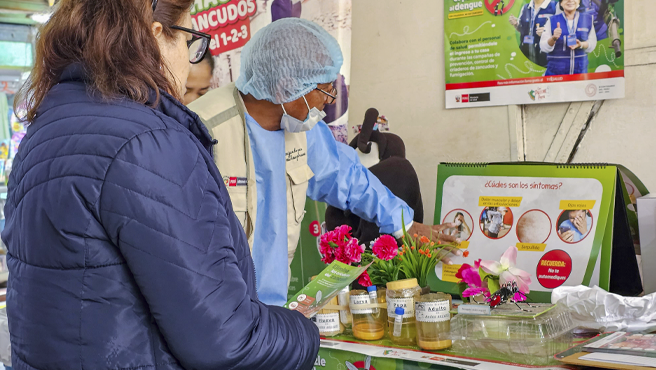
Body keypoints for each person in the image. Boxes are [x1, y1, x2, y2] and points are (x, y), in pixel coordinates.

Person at [2, 1, 319, 369]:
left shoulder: (45, 131)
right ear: (155, 35)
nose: (189, 63)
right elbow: (226, 340)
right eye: (190, 42)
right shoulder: (149, 142)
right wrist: (304, 332)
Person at [188, 18, 460, 306]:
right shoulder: (199, 130)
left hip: (270, 311)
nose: (329, 101)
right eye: (324, 89)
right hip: (212, 313)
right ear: (285, 87)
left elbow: (346, 178)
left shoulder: (301, 127)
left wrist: (405, 225)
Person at [540, 0, 597, 76]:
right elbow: (543, 47)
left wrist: (581, 44)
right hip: (556, 75)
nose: (570, 0)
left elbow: (592, 43)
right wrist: (553, 38)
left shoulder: (588, 19)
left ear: (579, 2)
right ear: (561, 3)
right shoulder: (551, 20)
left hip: (580, 74)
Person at [509, 0, 559, 67]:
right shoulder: (525, 7)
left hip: (546, 57)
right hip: (526, 54)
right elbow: (522, 29)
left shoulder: (555, 6)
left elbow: (563, 30)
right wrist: (515, 25)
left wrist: (547, 32)